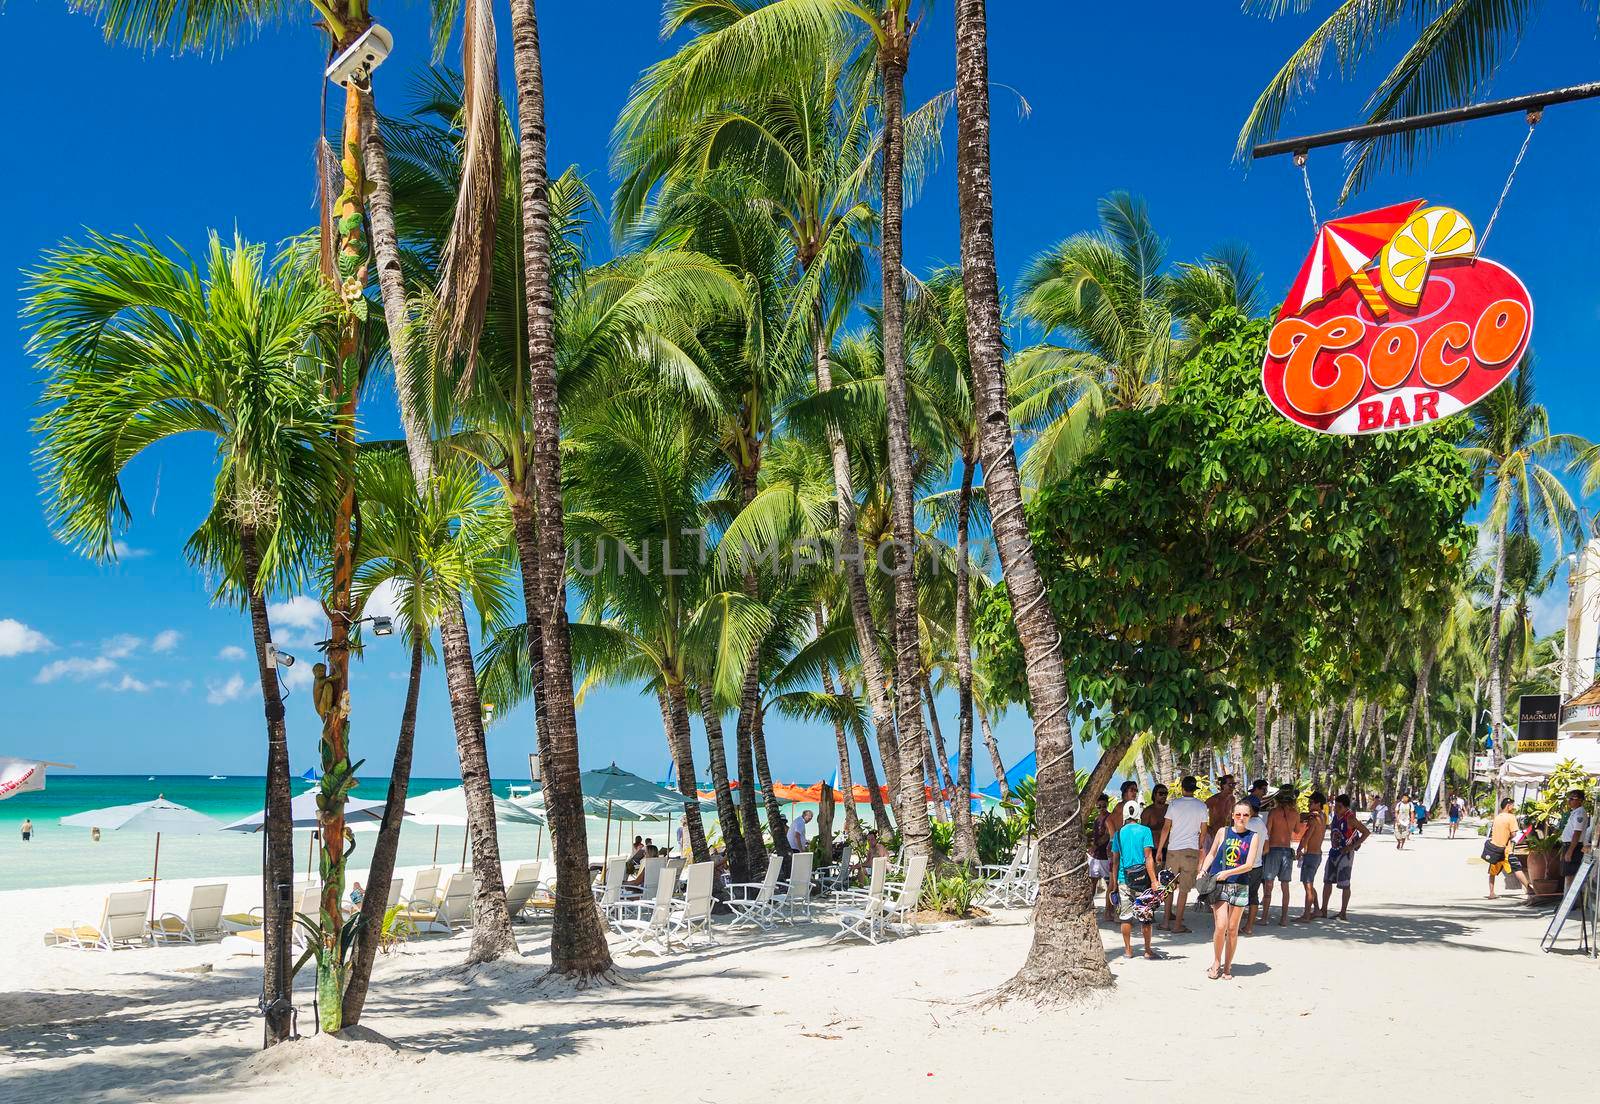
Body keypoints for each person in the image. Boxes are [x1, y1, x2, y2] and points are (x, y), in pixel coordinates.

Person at [1200, 802, 1262, 980]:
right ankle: (1216, 962)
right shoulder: (1223, 832)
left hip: (1239, 884)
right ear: (1232, 815)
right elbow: (1212, 853)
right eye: (1238, 815)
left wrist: (1228, 872)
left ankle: (1227, 966)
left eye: (1245, 815)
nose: (1241, 818)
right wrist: (1203, 870)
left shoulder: (1253, 836)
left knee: (1233, 928)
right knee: (1221, 925)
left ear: (1250, 817)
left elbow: (1249, 865)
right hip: (1219, 884)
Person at [1111, 799, 1163, 959]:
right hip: (1143, 880)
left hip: (1123, 879)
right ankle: (1147, 950)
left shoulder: (1118, 834)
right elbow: (1148, 857)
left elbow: (1115, 860)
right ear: (1138, 814)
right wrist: (1154, 881)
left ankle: (1128, 950)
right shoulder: (1145, 831)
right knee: (1145, 916)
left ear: (1125, 815)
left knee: (1125, 917)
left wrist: (1113, 883)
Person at [1159, 776, 1209, 934]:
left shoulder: (1174, 804)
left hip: (1173, 850)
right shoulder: (1201, 806)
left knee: (1169, 887)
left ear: (1182, 788)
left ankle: (1166, 922)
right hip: (1191, 850)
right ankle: (1177, 924)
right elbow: (1204, 830)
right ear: (1195, 789)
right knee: (1184, 890)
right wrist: (1199, 846)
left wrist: (1160, 849)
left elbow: (1166, 828)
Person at [1320, 793, 1370, 919]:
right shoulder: (1336, 816)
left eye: (1339, 806)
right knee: (1327, 881)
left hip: (1345, 854)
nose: (1336, 808)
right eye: (1335, 806)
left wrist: (1351, 847)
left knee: (1345, 883)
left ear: (1346, 807)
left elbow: (1366, 832)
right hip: (1334, 851)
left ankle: (1343, 912)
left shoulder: (1350, 818)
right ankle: (1324, 909)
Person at [1258, 785, 1300, 927]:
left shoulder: (1273, 812)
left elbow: (1267, 831)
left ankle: (1264, 918)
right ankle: (1284, 918)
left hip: (1273, 850)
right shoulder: (1295, 813)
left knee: (1268, 885)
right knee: (1285, 885)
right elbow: (1297, 830)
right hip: (1287, 851)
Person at [1485, 798, 1531, 899]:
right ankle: (1529, 889)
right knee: (1517, 868)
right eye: (1512, 805)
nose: (1513, 807)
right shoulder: (1511, 817)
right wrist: (1509, 837)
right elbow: (1514, 833)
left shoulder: (1497, 817)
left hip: (1495, 849)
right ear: (1508, 805)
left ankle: (1491, 893)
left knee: (1492, 872)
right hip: (1506, 850)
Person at [1295, 792, 1326, 922]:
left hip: (1311, 855)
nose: (1309, 804)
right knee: (1310, 884)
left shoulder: (1314, 819)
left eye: (1311, 802)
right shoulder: (1323, 816)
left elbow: (1306, 837)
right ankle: (1317, 910)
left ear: (1318, 804)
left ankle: (1306, 915)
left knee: (1307, 885)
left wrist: (1298, 849)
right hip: (1317, 854)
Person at [1241, 801, 1268, 934]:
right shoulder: (1262, 825)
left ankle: (1233, 925)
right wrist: (1256, 856)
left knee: (1236, 895)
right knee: (1253, 896)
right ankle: (1249, 926)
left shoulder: (1248, 824)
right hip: (1257, 865)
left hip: (1243, 866)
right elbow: (1266, 848)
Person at [1089, 793, 1116, 919]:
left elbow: (1107, 836)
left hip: (1105, 855)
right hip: (1096, 856)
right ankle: (1090, 906)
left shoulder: (1109, 819)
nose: (1101, 808)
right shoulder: (1097, 820)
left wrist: (1095, 845)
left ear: (1107, 804)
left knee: (1109, 883)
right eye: (1099, 806)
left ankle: (1109, 910)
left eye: (1103, 806)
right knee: (1092, 882)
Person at [1560, 790, 1590, 892]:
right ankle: (1566, 901)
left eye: (1572, 799)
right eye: (1569, 798)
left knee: (1570, 875)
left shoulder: (1580, 813)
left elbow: (1577, 833)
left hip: (1573, 846)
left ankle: (1569, 903)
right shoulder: (1575, 812)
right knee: (1567, 874)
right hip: (1569, 845)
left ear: (1580, 800)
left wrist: (1570, 851)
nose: (1569, 801)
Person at [1141, 784, 1170, 862]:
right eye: (1161, 793)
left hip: (1168, 849)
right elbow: (1142, 832)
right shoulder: (1148, 811)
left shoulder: (1170, 809)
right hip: (1152, 849)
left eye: (1166, 793)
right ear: (1154, 794)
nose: (1164, 796)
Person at [1206, 775, 1237, 840]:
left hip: (1227, 836)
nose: (1233, 787)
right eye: (1230, 784)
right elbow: (1199, 814)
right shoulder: (1214, 800)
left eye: (1234, 784)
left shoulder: (1232, 799)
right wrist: (1207, 828)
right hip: (1214, 836)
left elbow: (1233, 818)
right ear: (1223, 785)